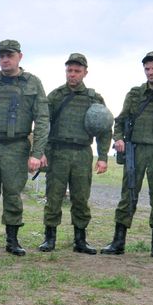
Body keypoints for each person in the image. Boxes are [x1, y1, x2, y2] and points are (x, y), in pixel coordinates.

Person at [101, 51, 153, 257]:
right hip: (135, 150)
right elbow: (120, 121)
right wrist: (118, 138)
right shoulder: (134, 94)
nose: (150, 72)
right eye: (147, 68)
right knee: (128, 195)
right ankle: (118, 241)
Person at [0, 39, 49, 256]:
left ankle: (12, 240)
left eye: (9, 55)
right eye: (2, 56)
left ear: (19, 57)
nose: (5, 59)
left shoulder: (32, 83)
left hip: (16, 147)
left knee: (13, 194)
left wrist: (37, 153)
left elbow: (42, 119)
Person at [38, 53, 110, 254]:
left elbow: (105, 129)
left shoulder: (94, 98)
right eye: (69, 70)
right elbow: (43, 124)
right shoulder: (55, 96)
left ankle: (80, 240)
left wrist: (103, 157)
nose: (73, 75)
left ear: (85, 72)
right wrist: (41, 151)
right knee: (53, 196)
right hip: (58, 152)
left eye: (77, 71)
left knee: (80, 198)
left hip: (82, 154)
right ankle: (49, 238)